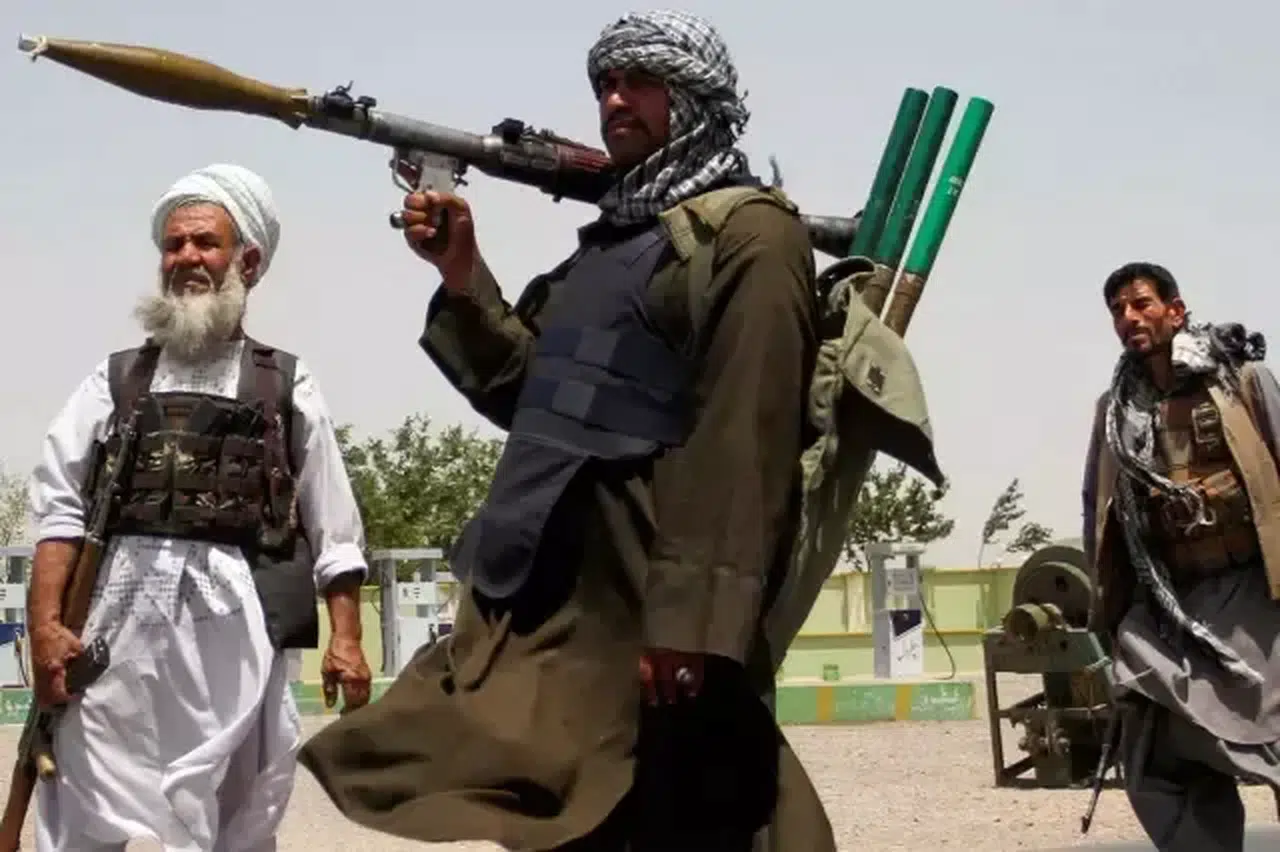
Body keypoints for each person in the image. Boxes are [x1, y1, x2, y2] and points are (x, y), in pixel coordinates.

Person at [299, 10, 854, 852]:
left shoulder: (752, 235)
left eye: (640, 82)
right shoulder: (614, 243)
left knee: (685, 802)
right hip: (546, 591)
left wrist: (691, 624)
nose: (614, 99)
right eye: (605, 83)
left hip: (640, 600)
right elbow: (537, 397)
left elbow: (744, 442)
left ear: (695, 97)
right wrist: (462, 275)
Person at [25, 163, 373, 851]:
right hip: (115, 638)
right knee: (88, 808)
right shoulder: (117, 378)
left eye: (205, 243)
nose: (186, 257)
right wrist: (44, 625)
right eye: (174, 244)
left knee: (235, 815)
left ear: (249, 261)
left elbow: (334, 528)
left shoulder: (285, 384)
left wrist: (348, 638)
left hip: (237, 642)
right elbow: (58, 507)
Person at [1083, 261, 1280, 850]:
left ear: (1175, 309)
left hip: (1253, 598)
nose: (1129, 317)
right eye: (1117, 310)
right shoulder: (1115, 411)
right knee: (1153, 744)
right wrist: (1109, 602)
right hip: (1171, 605)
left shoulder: (1241, 383)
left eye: (1141, 303)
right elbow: (1097, 509)